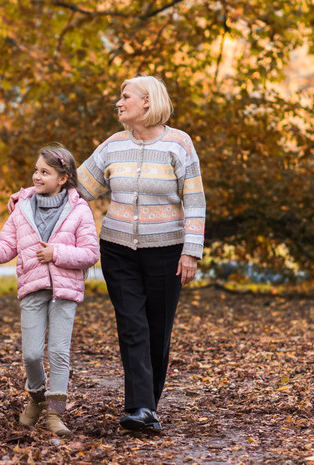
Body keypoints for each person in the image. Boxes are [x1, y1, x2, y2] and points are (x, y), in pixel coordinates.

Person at [75, 75, 205, 431]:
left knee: (157, 329)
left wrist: (191, 251)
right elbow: (77, 187)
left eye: (125, 96)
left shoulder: (179, 144)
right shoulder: (113, 145)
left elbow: (194, 200)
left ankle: (147, 404)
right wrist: (31, 193)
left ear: (147, 102)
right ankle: (141, 408)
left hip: (167, 250)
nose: (119, 102)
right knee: (132, 325)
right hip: (118, 250)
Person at [0, 145, 99, 436]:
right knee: (32, 355)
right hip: (32, 288)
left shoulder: (78, 209)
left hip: (65, 290)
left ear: (63, 178)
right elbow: (3, 250)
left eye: (45, 172)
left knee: (60, 353)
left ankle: (54, 415)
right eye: (36, 170)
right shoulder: (22, 210)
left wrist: (57, 253)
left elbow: (90, 253)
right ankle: (37, 399)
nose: (36, 176)